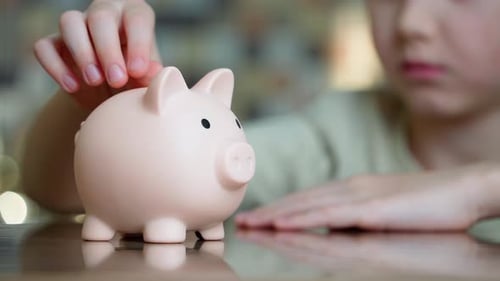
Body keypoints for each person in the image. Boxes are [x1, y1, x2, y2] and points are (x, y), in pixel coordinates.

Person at [24, 0, 500, 232]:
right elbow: (56, 193)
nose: (412, 22)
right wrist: (105, 108)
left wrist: (484, 188)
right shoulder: (335, 133)